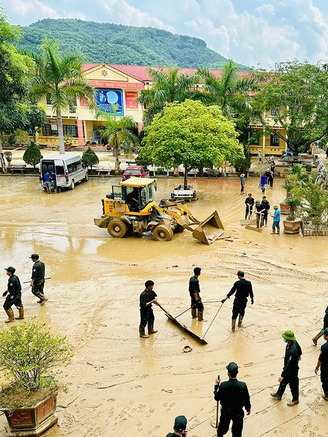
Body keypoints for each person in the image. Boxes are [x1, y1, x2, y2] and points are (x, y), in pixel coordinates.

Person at [213, 362, 251, 437]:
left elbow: (217, 397)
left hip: (226, 411)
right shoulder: (242, 385)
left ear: (228, 374)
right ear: (237, 373)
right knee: (237, 432)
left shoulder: (223, 385)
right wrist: (248, 408)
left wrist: (216, 386)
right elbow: (246, 399)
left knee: (221, 429)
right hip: (238, 412)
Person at [271, 330, 302, 406]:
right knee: (284, 382)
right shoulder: (294, 341)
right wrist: (299, 355)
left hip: (292, 370)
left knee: (293, 384)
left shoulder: (292, 351)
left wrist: (282, 375)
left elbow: (289, 365)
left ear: (288, 339)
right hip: (289, 367)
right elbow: (300, 349)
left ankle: (295, 399)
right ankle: (279, 394)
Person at [314, 327, 328, 401]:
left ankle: (327, 395)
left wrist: (317, 367)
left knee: (325, 380)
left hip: (326, 367)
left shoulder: (324, 347)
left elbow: (320, 359)